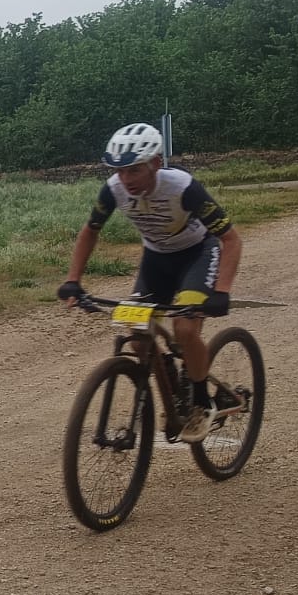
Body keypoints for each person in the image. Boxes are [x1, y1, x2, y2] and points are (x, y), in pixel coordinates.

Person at [57, 122, 245, 443]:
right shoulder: (114, 189)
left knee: (185, 329)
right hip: (156, 260)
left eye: (134, 170)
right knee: (138, 337)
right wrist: (73, 280)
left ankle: (201, 401)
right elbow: (90, 231)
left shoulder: (183, 187)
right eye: (119, 171)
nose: (126, 179)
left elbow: (231, 239)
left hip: (197, 255)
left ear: (156, 163)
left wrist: (222, 291)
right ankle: (172, 389)